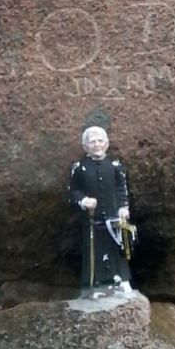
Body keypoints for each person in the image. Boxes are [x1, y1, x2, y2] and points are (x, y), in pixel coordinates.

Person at [68, 125, 133, 296]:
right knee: (93, 251)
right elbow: (73, 191)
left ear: (106, 143)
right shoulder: (79, 167)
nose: (96, 144)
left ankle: (121, 280)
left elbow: (122, 188)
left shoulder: (115, 165)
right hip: (91, 220)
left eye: (100, 140)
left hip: (113, 219)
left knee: (117, 248)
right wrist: (83, 201)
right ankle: (94, 284)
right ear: (85, 146)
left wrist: (123, 207)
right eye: (92, 141)